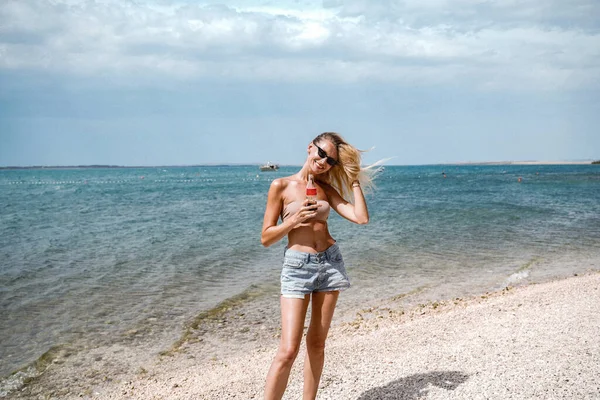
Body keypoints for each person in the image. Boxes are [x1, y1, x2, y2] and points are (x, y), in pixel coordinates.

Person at [261, 132, 376, 400]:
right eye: (321, 153)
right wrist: (293, 220)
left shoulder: (326, 188)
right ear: (310, 148)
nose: (323, 162)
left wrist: (354, 180)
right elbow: (266, 237)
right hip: (297, 267)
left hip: (330, 263)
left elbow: (361, 218)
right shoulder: (281, 185)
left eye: (331, 161)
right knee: (288, 350)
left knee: (317, 344)